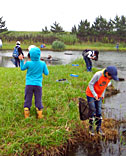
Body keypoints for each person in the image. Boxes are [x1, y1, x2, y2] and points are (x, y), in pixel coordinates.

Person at [86, 66, 119, 136]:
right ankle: (91, 128)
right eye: (111, 77)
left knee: (99, 112)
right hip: (91, 94)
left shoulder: (109, 79)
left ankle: (98, 128)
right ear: (107, 73)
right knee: (92, 110)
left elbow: (104, 87)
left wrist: (102, 95)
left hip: (99, 95)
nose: (111, 79)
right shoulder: (98, 75)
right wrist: (95, 95)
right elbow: (90, 84)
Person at [18, 46, 49, 119]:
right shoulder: (42, 63)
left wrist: (21, 60)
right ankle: (40, 115)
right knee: (38, 99)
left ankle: (26, 114)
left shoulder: (28, 63)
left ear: (30, 55)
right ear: (39, 55)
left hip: (29, 84)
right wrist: (44, 66)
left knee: (28, 99)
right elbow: (46, 73)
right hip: (38, 85)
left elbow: (22, 68)